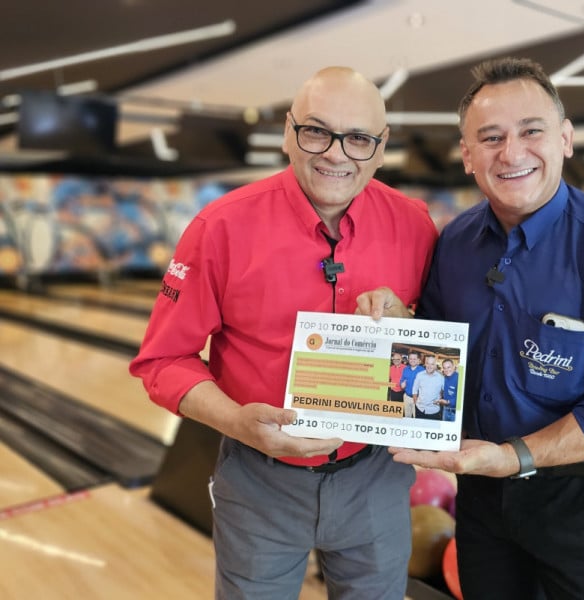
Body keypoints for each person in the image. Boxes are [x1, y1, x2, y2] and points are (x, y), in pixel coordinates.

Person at [357, 57, 584, 599]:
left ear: (565, 139)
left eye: (531, 131)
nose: (511, 153)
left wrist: (513, 457)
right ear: (466, 155)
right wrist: (400, 324)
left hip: (576, 502)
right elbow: (440, 350)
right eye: (490, 137)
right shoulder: (455, 244)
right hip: (480, 496)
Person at [129, 66, 439, 600]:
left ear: (382, 148)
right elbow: (161, 362)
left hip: (375, 478)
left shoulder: (416, 226)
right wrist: (236, 421)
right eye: (317, 131)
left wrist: (410, 323)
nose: (337, 154)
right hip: (260, 480)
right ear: (288, 134)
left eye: (359, 139)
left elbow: (434, 351)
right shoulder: (220, 228)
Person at [411, 354, 445, 419]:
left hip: (434, 411)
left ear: (435, 366)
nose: (429, 366)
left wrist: (440, 399)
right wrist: (416, 402)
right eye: (428, 363)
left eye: (432, 364)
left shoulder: (441, 378)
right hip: (420, 409)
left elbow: (444, 391)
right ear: (425, 364)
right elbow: (414, 389)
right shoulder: (419, 375)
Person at [398, 351, 423, 418]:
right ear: (408, 359)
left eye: (414, 359)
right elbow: (402, 380)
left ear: (418, 360)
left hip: (418, 398)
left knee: (416, 417)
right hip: (406, 397)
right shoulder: (405, 369)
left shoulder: (422, 370)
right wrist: (401, 384)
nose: (412, 360)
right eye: (411, 359)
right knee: (407, 416)